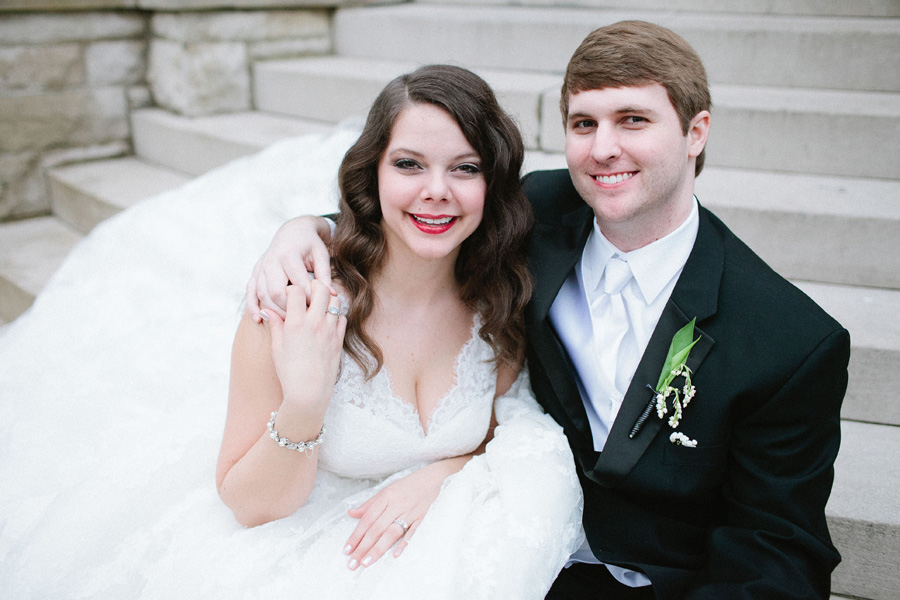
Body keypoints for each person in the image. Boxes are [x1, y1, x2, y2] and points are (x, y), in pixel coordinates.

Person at [245, 21, 850, 600]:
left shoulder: (789, 341)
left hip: (660, 578)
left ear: (696, 132)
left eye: (633, 120)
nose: (604, 149)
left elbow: (777, 551)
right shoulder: (539, 210)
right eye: (584, 123)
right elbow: (417, 218)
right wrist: (306, 229)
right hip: (508, 541)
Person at [0, 65, 581, 599]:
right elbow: (249, 506)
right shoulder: (297, 298)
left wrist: (442, 474)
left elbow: (499, 424)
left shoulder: (500, 300)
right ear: (371, 174)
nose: (437, 189)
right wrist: (305, 401)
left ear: (493, 185)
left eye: (466, 167)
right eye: (408, 164)